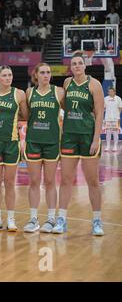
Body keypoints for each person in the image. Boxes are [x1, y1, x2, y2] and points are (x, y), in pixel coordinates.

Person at [54, 52, 105, 236]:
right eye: (73, 63)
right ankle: (62, 219)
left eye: (79, 63)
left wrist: (96, 138)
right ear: (71, 67)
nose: (76, 66)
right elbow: (65, 105)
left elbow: (99, 113)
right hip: (69, 136)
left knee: (92, 180)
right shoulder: (67, 83)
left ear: (85, 66)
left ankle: (97, 220)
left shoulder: (94, 84)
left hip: (87, 136)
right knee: (66, 179)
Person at [23, 63, 64, 233]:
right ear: (36, 75)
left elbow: (70, 111)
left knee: (49, 181)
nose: (46, 75)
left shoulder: (59, 92)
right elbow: (26, 116)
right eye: (42, 72)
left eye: (48, 72)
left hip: (52, 142)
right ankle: (33, 219)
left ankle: (51, 219)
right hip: (33, 141)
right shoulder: (29, 92)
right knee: (33, 181)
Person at [0, 65, 28, 231]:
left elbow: (25, 115)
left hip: (12, 142)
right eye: (4, 75)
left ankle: (10, 219)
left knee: (10, 183)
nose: (8, 78)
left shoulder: (19, 94)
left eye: (10, 75)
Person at [104, 87, 122, 152]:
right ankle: (108, 146)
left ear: (114, 92)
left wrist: (117, 115)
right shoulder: (105, 99)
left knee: (115, 133)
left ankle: (115, 146)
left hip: (116, 119)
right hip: (107, 118)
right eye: (109, 91)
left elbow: (120, 108)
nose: (110, 92)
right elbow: (104, 108)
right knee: (108, 133)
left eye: (111, 91)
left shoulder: (118, 99)